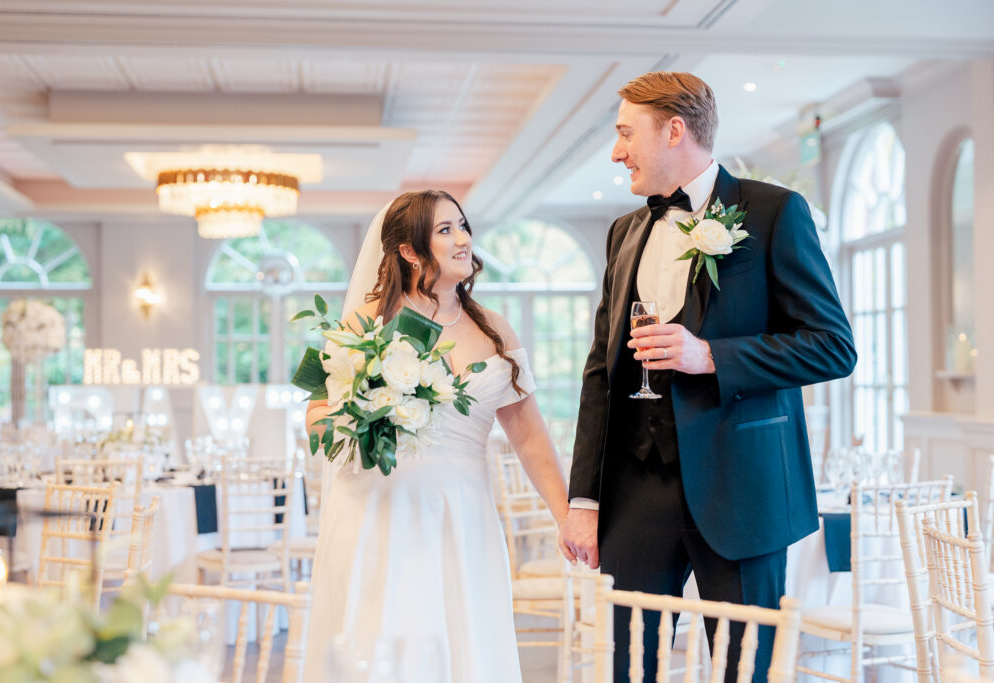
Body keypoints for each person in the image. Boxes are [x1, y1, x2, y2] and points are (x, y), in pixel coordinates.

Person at [559, 71, 856, 682]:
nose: (616, 153)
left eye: (624, 134)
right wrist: (583, 498)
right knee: (625, 667)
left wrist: (712, 356)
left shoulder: (775, 213)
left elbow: (833, 347)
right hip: (635, 493)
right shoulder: (625, 232)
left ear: (674, 130)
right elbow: (600, 374)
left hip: (743, 492)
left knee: (744, 671)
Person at [303, 189, 570, 682]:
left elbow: (529, 437)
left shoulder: (494, 330)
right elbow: (316, 412)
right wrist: (361, 417)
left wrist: (566, 517)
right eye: (445, 231)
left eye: (463, 226)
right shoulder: (362, 324)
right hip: (378, 513)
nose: (463, 239)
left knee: (464, 642)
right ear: (408, 251)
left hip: (462, 517)